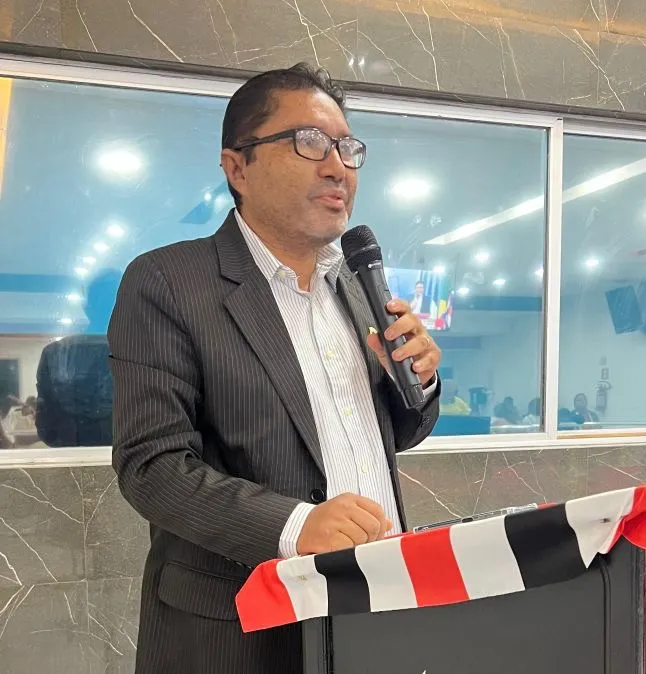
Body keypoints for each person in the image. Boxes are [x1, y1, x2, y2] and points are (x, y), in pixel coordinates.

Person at [108, 63, 442, 674]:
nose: (337, 167)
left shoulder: (354, 288)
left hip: (376, 605)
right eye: (309, 142)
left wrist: (419, 380)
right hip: (241, 630)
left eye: (347, 148)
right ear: (237, 167)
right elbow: (151, 467)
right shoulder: (168, 282)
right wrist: (298, 525)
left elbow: (392, 434)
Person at [35, 269, 121, 447]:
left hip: (69, 456)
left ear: (87, 307)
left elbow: (47, 429)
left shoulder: (54, 353)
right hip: (131, 457)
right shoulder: (148, 354)